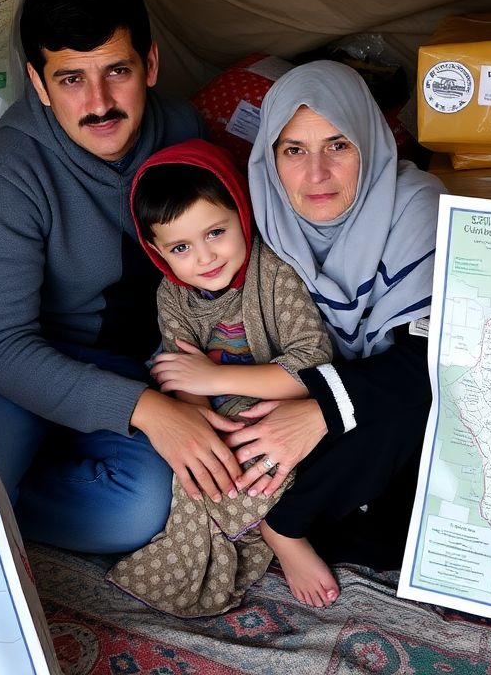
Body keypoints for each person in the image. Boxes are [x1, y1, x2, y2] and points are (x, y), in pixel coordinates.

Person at [0, 0, 243, 555]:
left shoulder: (182, 129)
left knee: (135, 512)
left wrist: (181, 388)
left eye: (117, 72)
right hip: (14, 356)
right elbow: (2, 349)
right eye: (71, 78)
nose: (98, 104)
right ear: (38, 83)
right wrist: (148, 411)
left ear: (149, 65)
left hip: (129, 358)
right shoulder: (10, 165)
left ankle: (25, 478)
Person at [232, 60, 446, 606]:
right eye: (294, 150)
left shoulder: (416, 209)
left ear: (369, 142)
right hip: (301, 406)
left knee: (416, 407)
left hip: (386, 418)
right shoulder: (260, 219)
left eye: (338, 145)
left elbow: (433, 367)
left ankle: (282, 522)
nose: (316, 174)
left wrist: (322, 412)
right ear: (270, 159)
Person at [106, 139, 333, 616]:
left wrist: (212, 378)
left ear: (241, 215)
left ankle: (280, 533)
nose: (205, 258)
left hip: (283, 402)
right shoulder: (172, 293)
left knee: (269, 456)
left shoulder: (272, 271)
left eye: (216, 232)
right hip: (216, 409)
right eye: (181, 247)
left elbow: (312, 363)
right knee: (192, 473)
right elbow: (179, 374)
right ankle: (212, 546)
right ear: (158, 252)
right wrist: (198, 423)